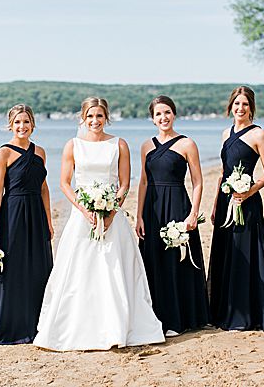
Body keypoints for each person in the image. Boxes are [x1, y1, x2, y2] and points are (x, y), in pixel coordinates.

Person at [33, 97, 165, 351]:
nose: (95, 121)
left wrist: (111, 211)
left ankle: (117, 326)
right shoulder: (73, 146)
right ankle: (78, 327)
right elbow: (64, 183)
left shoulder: (120, 145)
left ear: (107, 118)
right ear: (83, 118)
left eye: (100, 116)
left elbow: (125, 183)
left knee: (113, 269)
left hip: (111, 217)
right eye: (90, 116)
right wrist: (84, 210)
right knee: (79, 270)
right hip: (82, 218)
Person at [208, 86, 264, 332]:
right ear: (231, 106)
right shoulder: (225, 133)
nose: (240, 109)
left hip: (246, 202)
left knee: (245, 254)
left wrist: (248, 191)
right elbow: (223, 172)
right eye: (236, 104)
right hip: (224, 200)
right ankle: (225, 311)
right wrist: (215, 204)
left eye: (245, 104)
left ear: (251, 108)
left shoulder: (258, 134)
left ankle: (248, 314)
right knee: (226, 254)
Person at [0, 104, 54, 345]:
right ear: (10, 125)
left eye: (26, 122)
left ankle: (37, 322)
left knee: (37, 268)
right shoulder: (2, 154)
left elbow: (44, 188)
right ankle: (10, 323)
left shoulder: (40, 152)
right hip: (12, 214)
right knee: (12, 269)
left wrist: (49, 221)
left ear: (33, 124)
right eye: (17, 122)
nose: (22, 126)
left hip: (37, 215)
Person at [136, 96, 210, 336]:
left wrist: (193, 214)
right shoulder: (146, 146)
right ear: (153, 118)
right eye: (158, 114)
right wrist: (139, 216)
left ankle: (180, 318)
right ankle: (155, 317)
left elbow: (198, 182)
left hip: (178, 206)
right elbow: (144, 181)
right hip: (152, 209)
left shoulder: (187, 143)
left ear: (174, 114)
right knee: (153, 263)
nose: (163, 118)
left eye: (167, 112)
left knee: (177, 263)